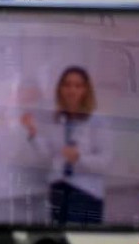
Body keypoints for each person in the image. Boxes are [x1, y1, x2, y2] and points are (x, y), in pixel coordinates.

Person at [20, 66, 112, 225]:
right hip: (59, 189)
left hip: (86, 192)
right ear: (60, 89)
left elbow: (106, 161)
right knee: (60, 236)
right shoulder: (57, 120)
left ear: (86, 90)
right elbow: (48, 154)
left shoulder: (98, 121)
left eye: (78, 86)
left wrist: (79, 158)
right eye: (67, 85)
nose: (72, 90)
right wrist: (33, 132)